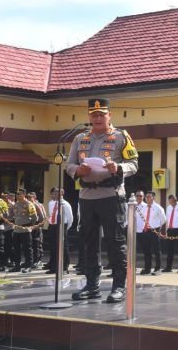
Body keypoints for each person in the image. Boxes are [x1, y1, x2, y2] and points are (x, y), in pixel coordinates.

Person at [66, 98, 139, 303]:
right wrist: (77, 170)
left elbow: (134, 164)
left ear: (109, 116)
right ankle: (92, 285)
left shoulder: (121, 136)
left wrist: (119, 167)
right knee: (89, 242)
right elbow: (69, 165)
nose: (98, 118)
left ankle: (119, 286)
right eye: (94, 115)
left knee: (115, 242)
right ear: (89, 117)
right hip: (87, 197)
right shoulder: (80, 138)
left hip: (111, 195)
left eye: (101, 114)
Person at [136, 191, 165, 275]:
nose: (147, 198)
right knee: (146, 250)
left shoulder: (158, 208)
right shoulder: (144, 207)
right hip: (146, 230)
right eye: (146, 197)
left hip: (154, 230)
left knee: (156, 250)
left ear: (153, 198)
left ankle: (158, 268)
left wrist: (157, 227)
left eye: (149, 197)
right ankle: (147, 268)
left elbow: (163, 219)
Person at [45, 187, 73, 274]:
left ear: (61, 194)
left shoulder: (65, 204)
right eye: (54, 192)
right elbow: (51, 214)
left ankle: (65, 267)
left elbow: (70, 218)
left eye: (57, 192)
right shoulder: (51, 203)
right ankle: (54, 266)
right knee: (53, 246)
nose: (55, 194)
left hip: (61, 225)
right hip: (52, 225)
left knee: (63, 246)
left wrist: (66, 228)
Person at [10, 189, 38, 273]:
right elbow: (13, 215)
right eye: (17, 194)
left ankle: (29, 265)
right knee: (16, 249)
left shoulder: (29, 204)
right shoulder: (15, 204)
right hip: (16, 230)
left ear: (24, 194)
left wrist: (30, 226)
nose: (18, 195)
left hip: (25, 230)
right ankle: (17, 266)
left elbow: (34, 217)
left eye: (20, 194)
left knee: (27, 249)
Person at [28, 191, 46, 268]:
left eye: (31, 197)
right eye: (28, 197)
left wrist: (39, 226)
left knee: (37, 243)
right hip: (29, 226)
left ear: (34, 197)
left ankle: (38, 260)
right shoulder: (27, 205)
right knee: (30, 244)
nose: (29, 199)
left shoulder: (39, 205)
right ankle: (31, 260)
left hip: (36, 226)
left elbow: (43, 216)